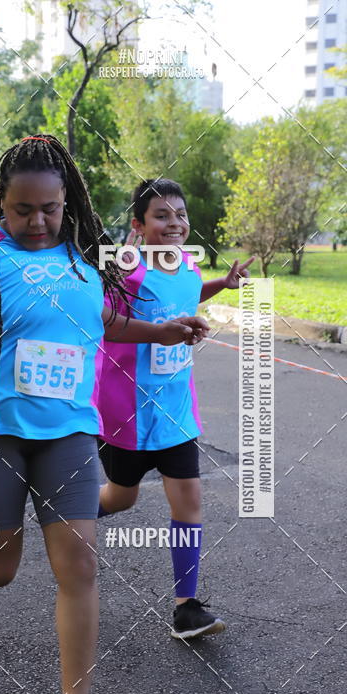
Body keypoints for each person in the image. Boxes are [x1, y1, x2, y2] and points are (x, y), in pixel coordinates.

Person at [0, 139, 209, 694]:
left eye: (49, 208)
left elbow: (102, 320)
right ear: (2, 202)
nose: (38, 222)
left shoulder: (85, 252)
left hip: (71, 428)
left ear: (66, 201)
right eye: (23, 210)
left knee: (79, 565)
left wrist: (162, 329)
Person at [98, 177, 253, 640]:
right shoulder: (128, 271)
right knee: (119, 498)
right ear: (139, 226)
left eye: (180, 214)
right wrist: (152, 320)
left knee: (189, 501)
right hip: (126, 412)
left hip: (176, 412)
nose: (175, 223)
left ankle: (186, 607)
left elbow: (186, 293)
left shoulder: (185, 265)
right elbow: (102, 323)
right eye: (162, 216)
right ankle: (65, 508)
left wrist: (221, 285)